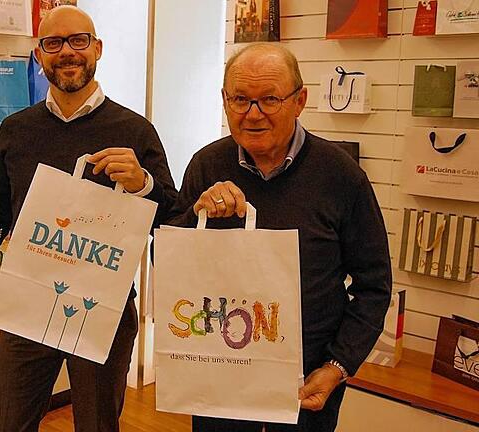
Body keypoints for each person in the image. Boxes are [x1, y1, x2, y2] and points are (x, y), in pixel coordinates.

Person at [0, 6, 177, 432]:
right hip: (28, 303)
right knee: (5, 424)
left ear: (97, 48)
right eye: (53, 43)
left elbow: (170, 218)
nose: (67, 52)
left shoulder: (135, 130)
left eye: (78, 41)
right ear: (39, 54)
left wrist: (143, 184)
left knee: (98, 425)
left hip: (104, 309)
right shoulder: (15, 129)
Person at [168, 43, 392, 432]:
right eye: (240, 99)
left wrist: (337, 366)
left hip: (306, 381)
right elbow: (169, 265)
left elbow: (374, 286)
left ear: (300, 100)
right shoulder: (207, 165)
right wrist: (194, 215)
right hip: (218, 374)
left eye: (269, 99)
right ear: (224, 100)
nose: (253, 114)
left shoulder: (340, 175)